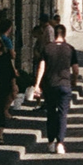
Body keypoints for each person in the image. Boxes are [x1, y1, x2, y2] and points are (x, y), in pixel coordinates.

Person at [31, 21, 78, 154]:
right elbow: (75, 69)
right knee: (63, 115)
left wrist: (37, 85)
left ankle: (50, 142)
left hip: (50, 85)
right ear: (64, 34)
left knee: (51, 114)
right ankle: (60, 144)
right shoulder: (70, 48)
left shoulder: (47, 48)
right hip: (64, 85)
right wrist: (74, 81)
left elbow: (42, 67)